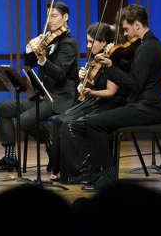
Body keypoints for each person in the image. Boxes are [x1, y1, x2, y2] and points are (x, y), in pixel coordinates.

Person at [59, 4, 161, 190]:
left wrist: (110, 67)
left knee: (94, 123)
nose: (124, 34)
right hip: (141, 105)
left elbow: (134, 84)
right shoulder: (146, 45)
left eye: (126, 29)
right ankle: (97, 173)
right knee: (93, 121)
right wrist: (112, 63)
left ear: (138, 25)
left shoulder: (148, 48)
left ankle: (107, 176)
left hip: (147, 109)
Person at [0, 2, 78, 173]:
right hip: (44, 96)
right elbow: (29, 64)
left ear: (65, 17)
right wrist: (29, 49)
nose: (49, 20)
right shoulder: (49, 40)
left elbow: (59, 74)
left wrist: (43, 60)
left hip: (60, 98)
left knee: (26, 119)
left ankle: (50, 143)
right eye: (48, 16)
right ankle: (10, 157)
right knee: (2, 108)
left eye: (54, 16)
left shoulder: (68, 44)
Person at [46, 22, 128, 182]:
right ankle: (60, 169)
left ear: (104, 42)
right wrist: (83, 78)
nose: (88, 46)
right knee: (57, 120)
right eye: (88, 41)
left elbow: (110, 92)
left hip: (105, 105)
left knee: (67, 123)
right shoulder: (97, 60)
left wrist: (91, 91)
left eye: (92, 42)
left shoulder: (113, 61)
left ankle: (81, 170)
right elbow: (91, 84)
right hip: (93, 101)